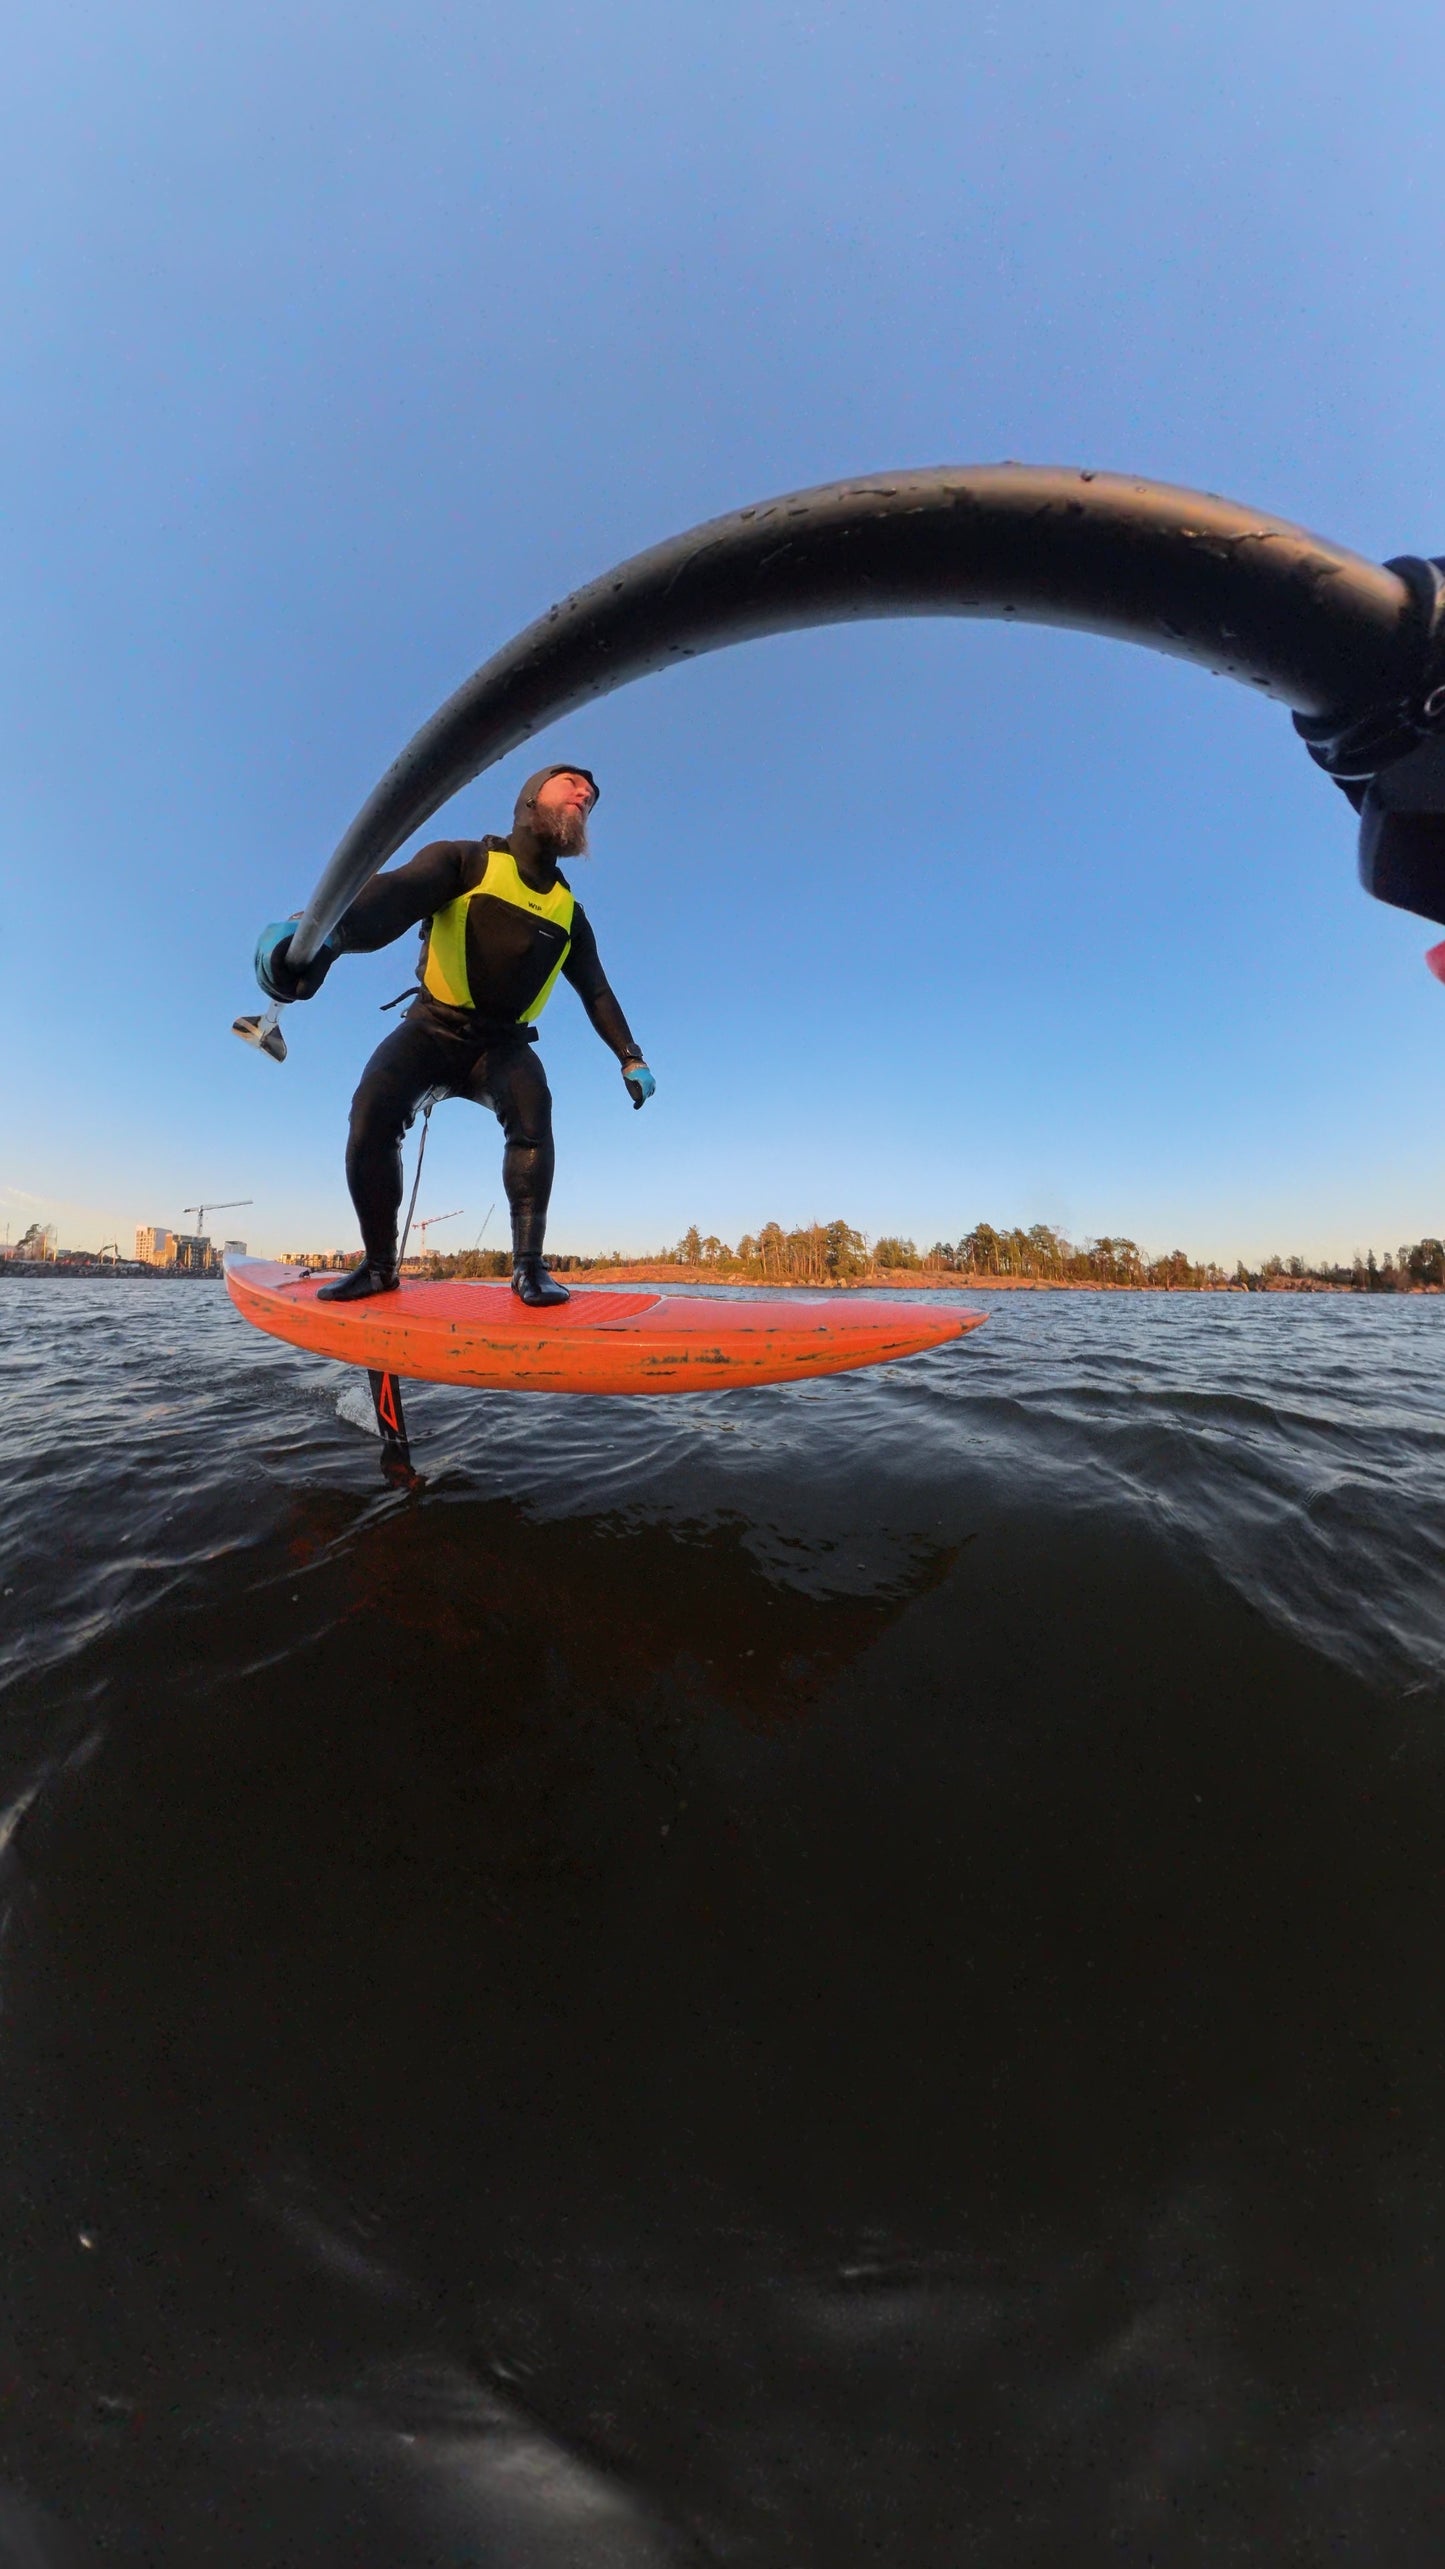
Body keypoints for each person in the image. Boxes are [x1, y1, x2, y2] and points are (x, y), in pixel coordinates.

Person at [252, 765, 655, 1307]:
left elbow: (597, 991)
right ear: (529, 797)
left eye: (593, 796)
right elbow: (392, 897)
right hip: (433, 1027)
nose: (586, 794)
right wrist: (322, 933)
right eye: (571, 783)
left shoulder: (570, 915)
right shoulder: (464, 861)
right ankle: (379, 1267)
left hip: (505, 1045)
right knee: (372, 1113)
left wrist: (630, 1056)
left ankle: (529, 1269)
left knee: (534, 1118)